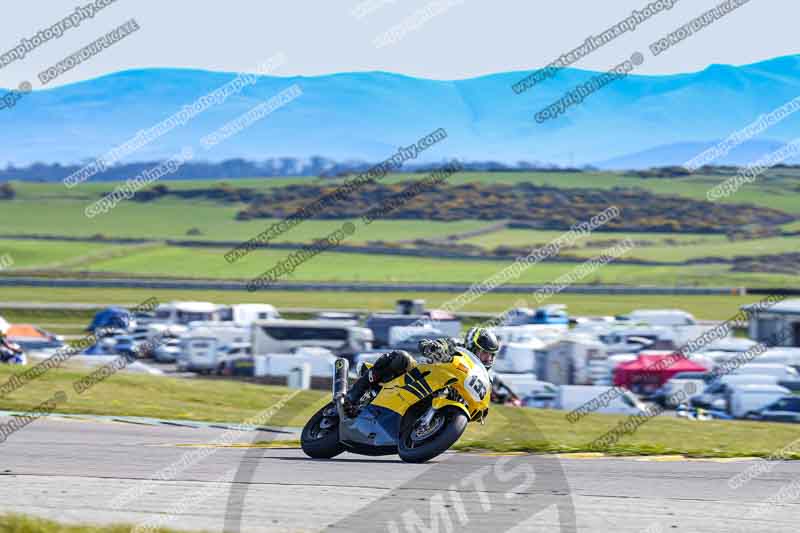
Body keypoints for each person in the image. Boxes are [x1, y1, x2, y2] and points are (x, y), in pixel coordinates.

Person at [343, 327, 500, 415]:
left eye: (491, 355)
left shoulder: (485, 380)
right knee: (401, 357)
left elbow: (482, 407)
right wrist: (433, 347)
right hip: (418, 378)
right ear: (472, 347)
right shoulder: (456, 347)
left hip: (438, 406)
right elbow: (434, 344)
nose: (488, 358)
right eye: (484, 353)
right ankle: (353, 396)